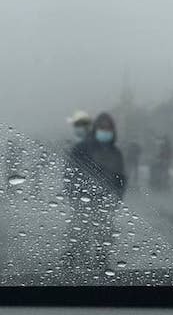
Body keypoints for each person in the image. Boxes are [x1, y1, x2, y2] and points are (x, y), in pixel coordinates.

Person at [63, 112, 127, 271]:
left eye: (108, 128)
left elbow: (120, 177)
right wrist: (74, 194)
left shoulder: (115, 152)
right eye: (102, 127)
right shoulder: (82, 148)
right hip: (82, 198)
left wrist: (117, 197)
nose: (105, 131)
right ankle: (71, 263)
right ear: (95, 128)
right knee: (79, 233)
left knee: (103, 234)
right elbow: (70, 172)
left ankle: (101, 261)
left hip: (105, 201)